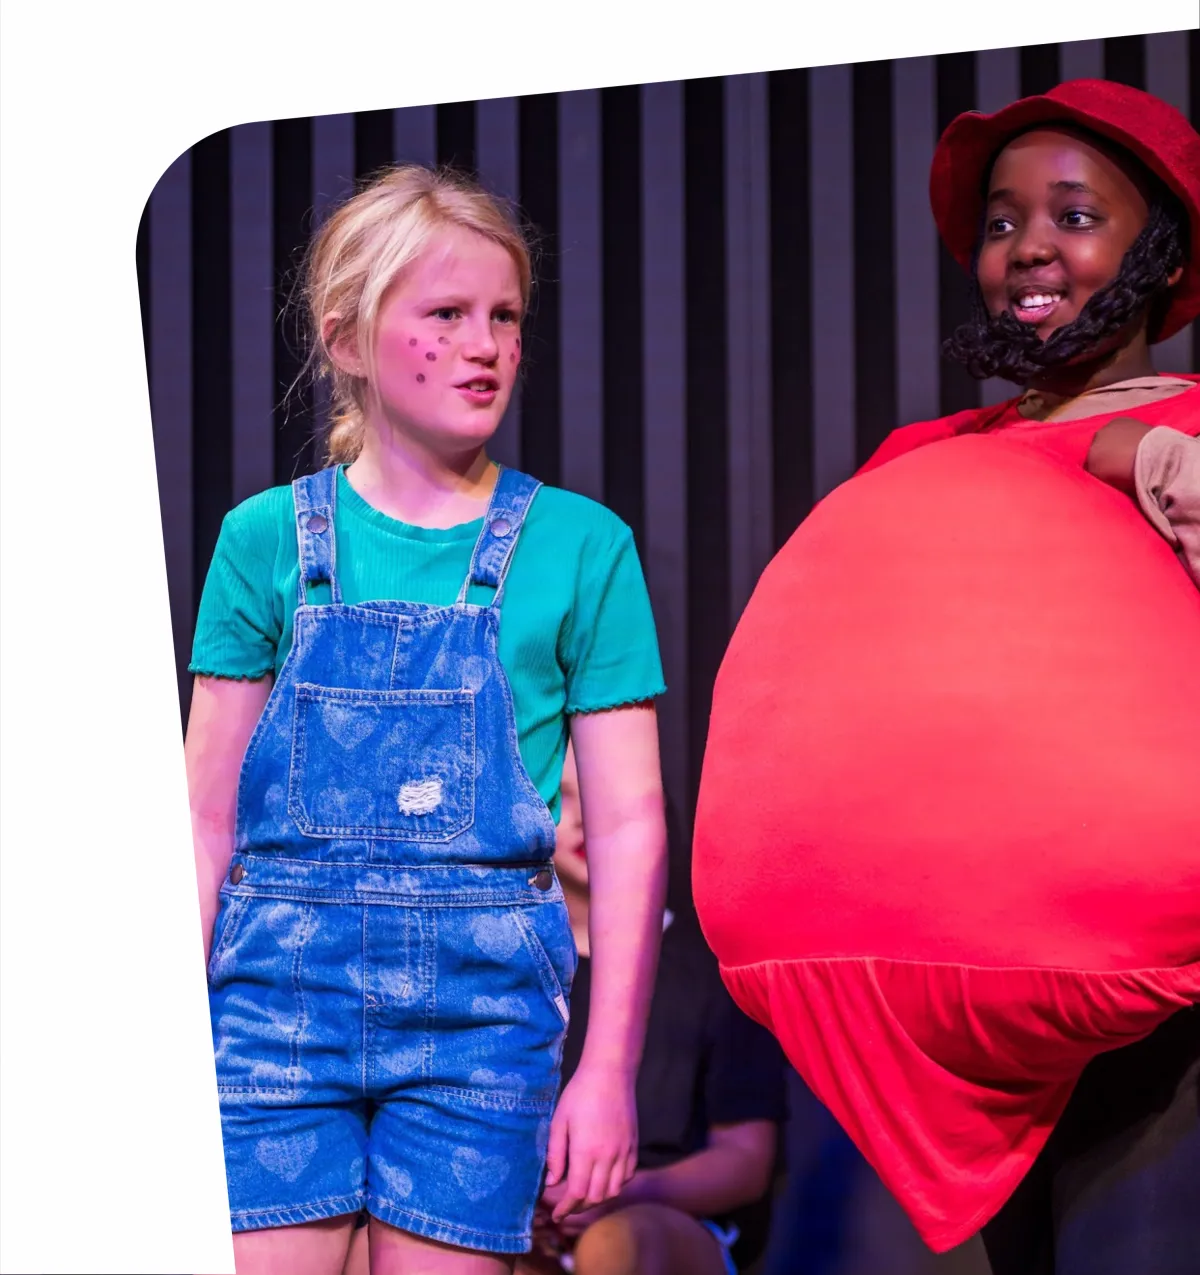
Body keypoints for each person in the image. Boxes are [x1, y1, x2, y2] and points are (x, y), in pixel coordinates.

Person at [692, 78, 1200, 1275]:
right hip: (921, 1042)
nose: (1028, 246)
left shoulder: (1181, 430)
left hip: (1162, 1024)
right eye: (1003, 222)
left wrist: (1153, 459)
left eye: (1076, 216)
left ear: (1163, 255)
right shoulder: (921, 459)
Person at [186, 164, 669, 1275]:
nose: (485, 346)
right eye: (445, 314)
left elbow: (630, 827)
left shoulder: (582, 546)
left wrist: (607, 1071)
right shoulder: (264, 540)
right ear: (347, 339)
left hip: (479, 1028)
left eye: (505, 316)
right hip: (275, 1012)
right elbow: (204, 820)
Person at [513, 746, 786, 1275]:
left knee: (621, 1245)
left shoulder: (714, 973)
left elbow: (747, 1161)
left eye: (601, 794)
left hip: (667, 1217)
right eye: (562, 800)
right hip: (523, 1224)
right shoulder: (506, 963)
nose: (587, 817)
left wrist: (625, 1193)